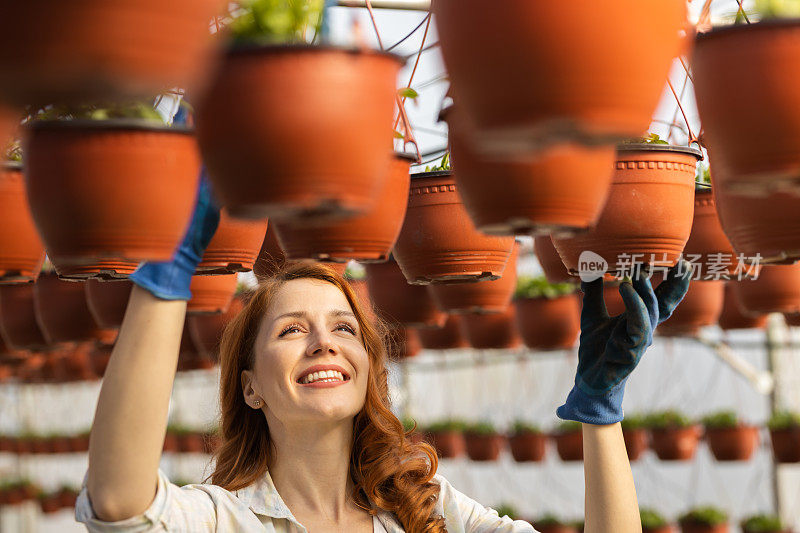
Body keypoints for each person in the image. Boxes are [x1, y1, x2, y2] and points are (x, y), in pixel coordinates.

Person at [76, 176, 691, 533]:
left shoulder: (425, 511)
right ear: (250, 387)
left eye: (345, 330)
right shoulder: (221, 520)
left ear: (369, 365)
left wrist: (601, 413)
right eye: (291, 331)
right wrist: (166, 279)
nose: (324, 342)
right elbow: (117, 500)